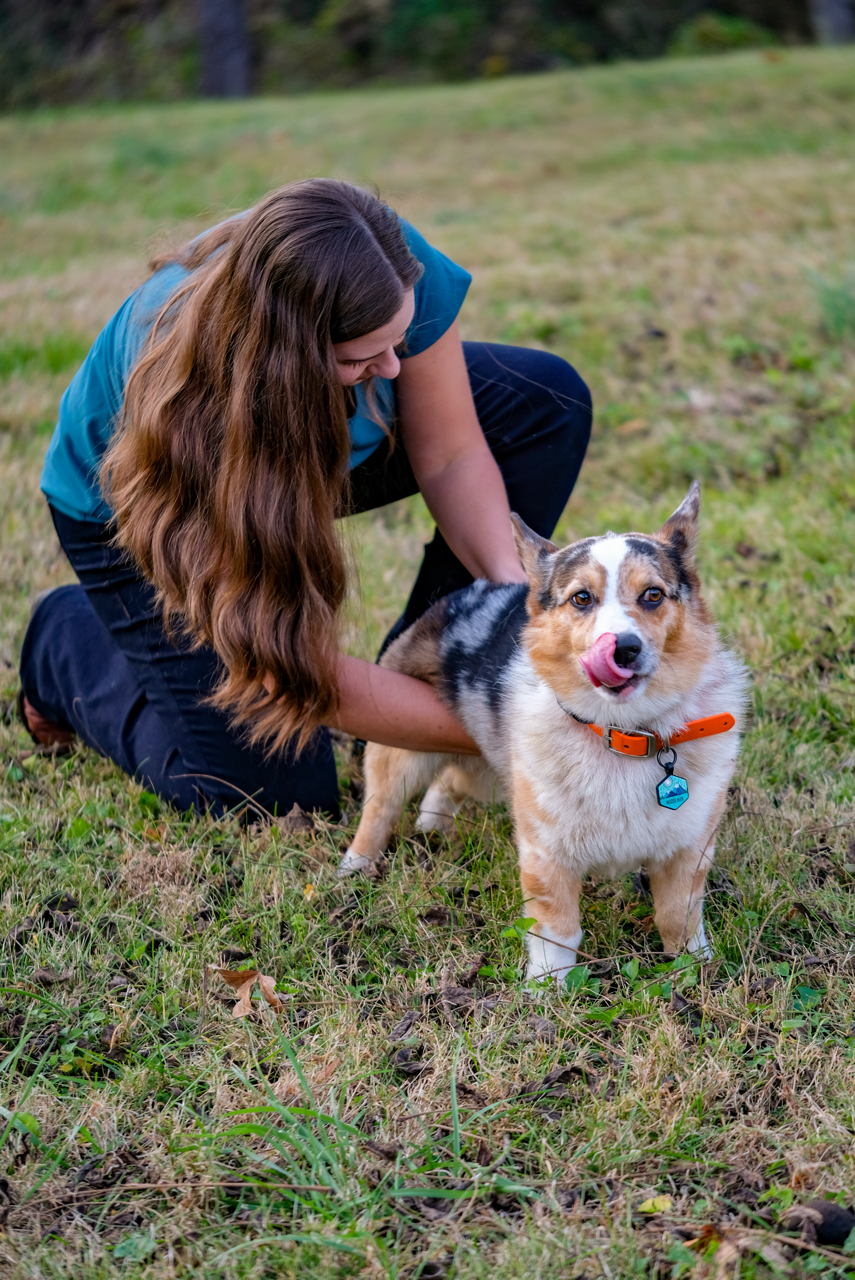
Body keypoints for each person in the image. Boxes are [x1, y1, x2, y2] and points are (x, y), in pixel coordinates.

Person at [19, 179, 592, 819]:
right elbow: (284, 664)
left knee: (546, 402)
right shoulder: (188, 408)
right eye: (363, 356)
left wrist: (519, 601)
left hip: (308, 443)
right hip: (134, 515)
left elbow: (453, 456)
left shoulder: (382, 265)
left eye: (396, 342)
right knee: (273, 795)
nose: (394, 368)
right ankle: (63, 642)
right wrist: (526, 724)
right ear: (288, 359)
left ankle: (428, 668)